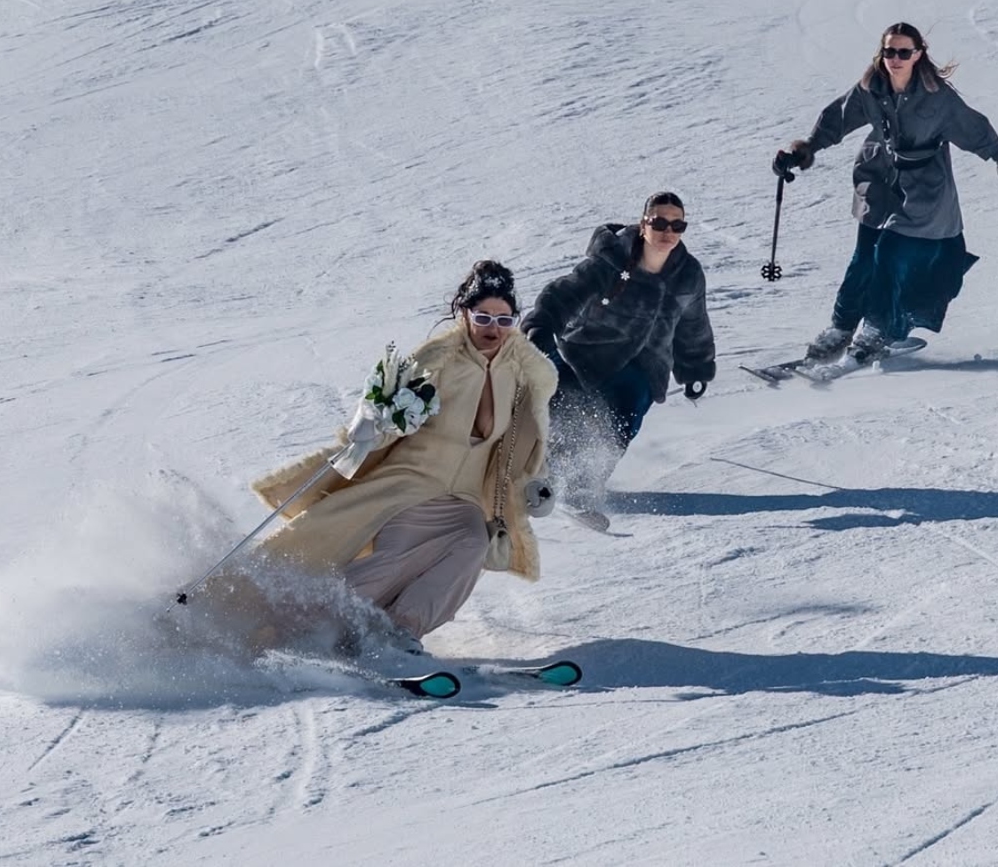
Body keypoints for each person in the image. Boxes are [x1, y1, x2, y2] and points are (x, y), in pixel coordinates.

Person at [247, 261, 558, 654]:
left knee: (470, 544)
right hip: (410, 482)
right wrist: (373, 421)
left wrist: (536, 481)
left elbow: (525, 438)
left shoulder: (523, 374)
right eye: (482, 317)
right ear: (464, 313)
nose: (492, 328)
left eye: (503, 319)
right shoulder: (439, 360)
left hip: (463, 497)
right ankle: (304, 629)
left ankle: (400, 631)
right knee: (395, 558)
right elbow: (391, 411)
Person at [774, 21, 998, 366]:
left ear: (918, 55)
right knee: (863, 256)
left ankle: (876, 327)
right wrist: (803, 150)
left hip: (924, 189)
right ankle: (840, 329)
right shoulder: (871, 88)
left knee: (888, 254)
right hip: (879, 179)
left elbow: (975, 129)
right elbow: (836, 120)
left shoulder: (938, 98)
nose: (896, 59)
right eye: (890, 51)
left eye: (904, 52)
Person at [520, 193, 716, 528]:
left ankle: (581, 488)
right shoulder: (611, 260)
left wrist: (695, 367)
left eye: (677, 224)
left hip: (645, 368)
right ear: (644, 224)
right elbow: (563, 293)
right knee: (566, 410)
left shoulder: (688, 275)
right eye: (660, 222)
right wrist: (541, 325)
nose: (668, 231)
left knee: (620, 420)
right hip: (588, 355)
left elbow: (693, 323)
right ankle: (540, 471)